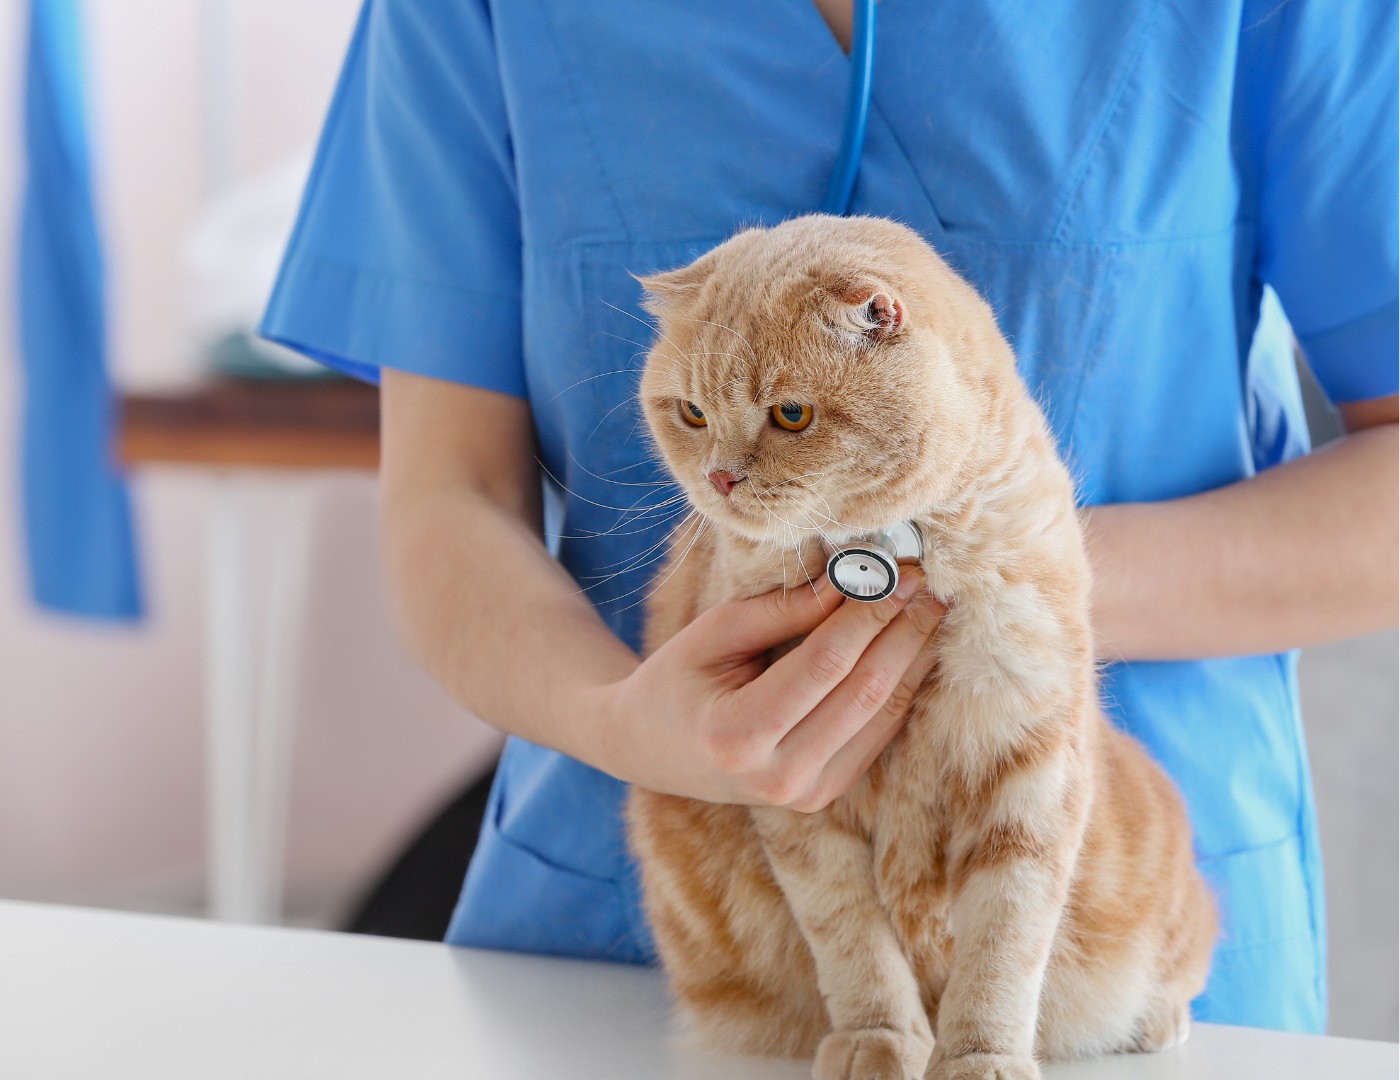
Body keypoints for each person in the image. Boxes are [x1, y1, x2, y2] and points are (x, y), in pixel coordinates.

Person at [261, 0, 1398, 1034]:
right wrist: (619, 722)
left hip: (1095, 933)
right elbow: (447, 496)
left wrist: (995, 592)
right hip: (647, 939)